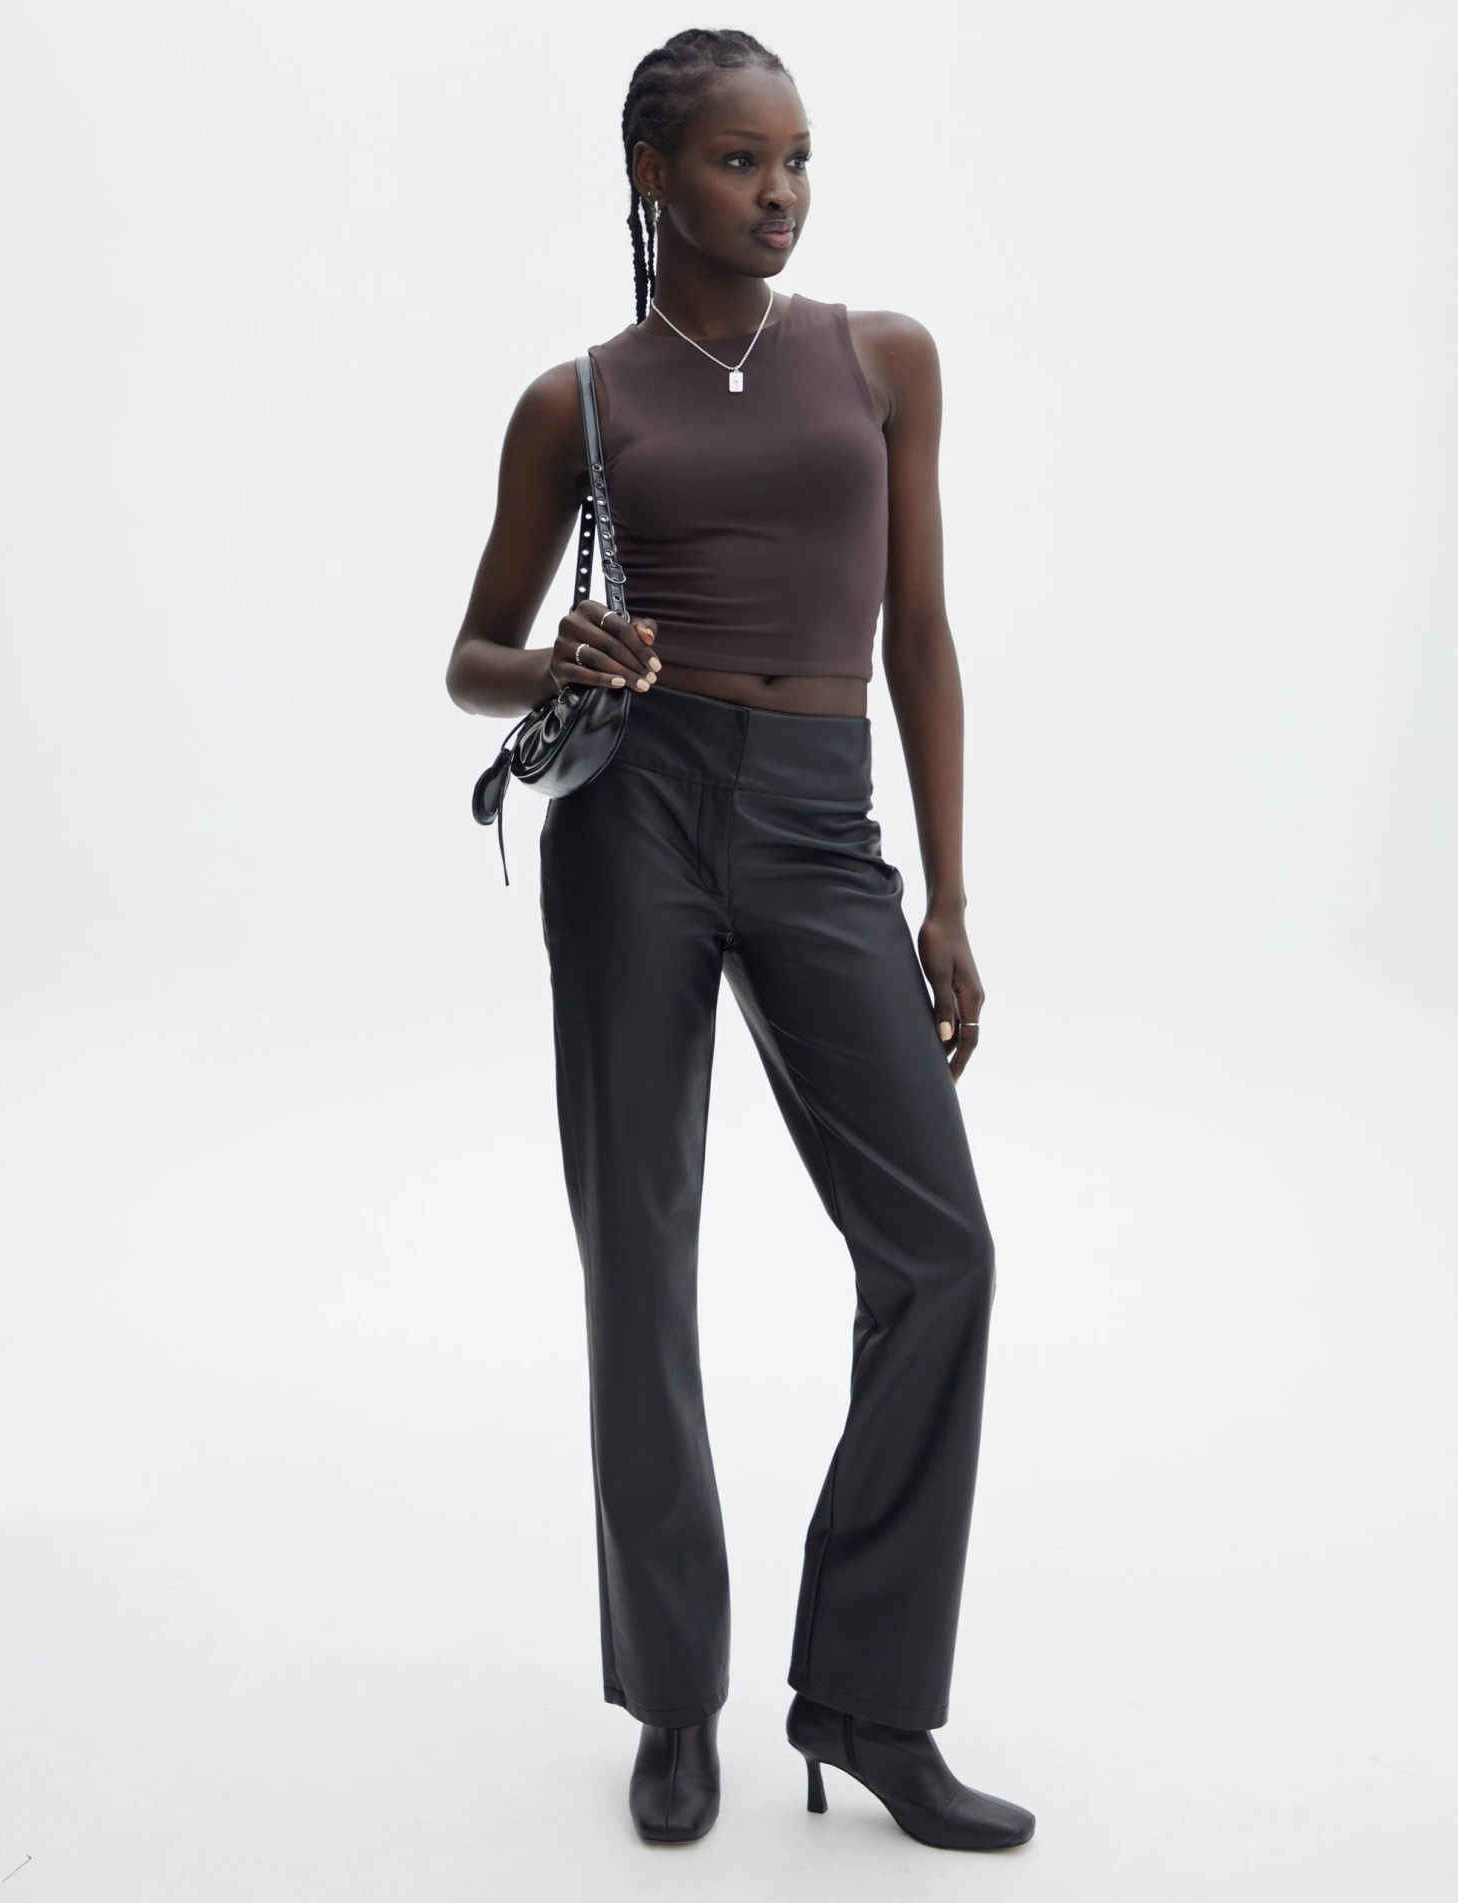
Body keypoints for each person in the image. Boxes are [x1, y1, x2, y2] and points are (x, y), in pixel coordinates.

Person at [445, 27, 1034, 1854]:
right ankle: (674, 1699)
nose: (779, 192)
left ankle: (868, 1699)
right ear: (654, 174)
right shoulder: (575, 402)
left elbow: (922, 636)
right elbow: (471, 659)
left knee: (941, 1253)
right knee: (642, 1256)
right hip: (633, 817)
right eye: (739, 160)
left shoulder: (882, 358)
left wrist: (945, 893)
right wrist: (559, 659)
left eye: (797, 160)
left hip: (818, 818)